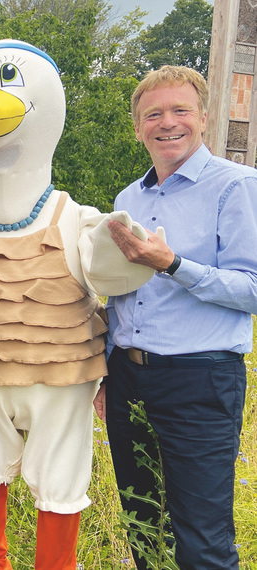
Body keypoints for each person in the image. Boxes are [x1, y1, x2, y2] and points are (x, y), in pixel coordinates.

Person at [95, 65, 257, 569]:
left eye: (180, 110)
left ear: (204, 119)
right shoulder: (129, 200)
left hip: (200, 378)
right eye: (153, 114)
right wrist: (103, 373)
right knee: (142, 520)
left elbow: (251, 289)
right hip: (127, 376)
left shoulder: (238, 186)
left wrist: (174, 265)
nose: (168, 123)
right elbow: (121, 295)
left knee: (201, 534)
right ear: (138, 126)